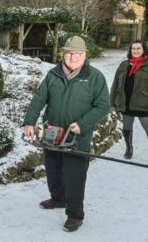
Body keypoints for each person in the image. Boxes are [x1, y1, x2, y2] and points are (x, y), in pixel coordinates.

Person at [23, 36, 110, 232]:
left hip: (77, 138)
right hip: (52, 133)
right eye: (69, 53)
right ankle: (58, 198)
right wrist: (29, 121)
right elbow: (39, 98)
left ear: (84, 54)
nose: (72, 57)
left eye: (77, 53)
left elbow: (103, 106)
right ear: (64, 54)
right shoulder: (53, 74)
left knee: (74, 176)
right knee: (52, 169)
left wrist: (82, 124)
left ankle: (75, 214)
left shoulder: (95, 77)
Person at [110, 40, 148, 167]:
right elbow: (115, 84)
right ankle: (129, 149)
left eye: (138, 49)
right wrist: (112, 102)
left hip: (144, 104)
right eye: (133, 49)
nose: (135, 51)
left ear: (144, 50)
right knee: (127, 128)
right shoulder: (124, 65)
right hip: (126, 103)